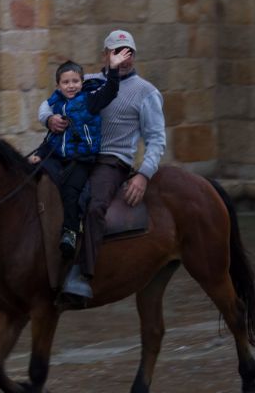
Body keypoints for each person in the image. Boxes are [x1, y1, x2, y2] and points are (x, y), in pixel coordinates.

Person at [40, 29, 166, 307]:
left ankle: (81, 275)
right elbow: (54, 100)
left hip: (112, 160)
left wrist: (143, 175)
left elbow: (156, 139)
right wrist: (49, 120)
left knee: (95, 205)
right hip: (75, 155)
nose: (124, 59)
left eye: (128, 53)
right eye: (117, 52)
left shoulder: (146, 93)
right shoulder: (87, 83)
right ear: (105, 55)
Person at [31, 50, 132, 258]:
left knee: (71, 189)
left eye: (75, 81)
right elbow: (49, 127)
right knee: (34, 174)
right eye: (66, 82)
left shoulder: (89, 100)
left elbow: (111, 90)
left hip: (82, 158)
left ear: (81, 81)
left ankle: (70, 231)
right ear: (58, 85)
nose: (71, 86)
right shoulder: (55, 102)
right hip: (56, 153)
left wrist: (113, 68)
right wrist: (41, 151)